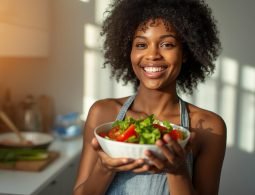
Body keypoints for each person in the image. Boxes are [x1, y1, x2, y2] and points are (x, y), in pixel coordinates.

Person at [73, 0, 226, 194]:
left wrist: (178, 171)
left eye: (167, 44)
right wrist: (105, 168)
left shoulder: (209, 127)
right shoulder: (103, 113)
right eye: (141, 44)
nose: (152, 54)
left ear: (185, 53)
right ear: (129, 51)